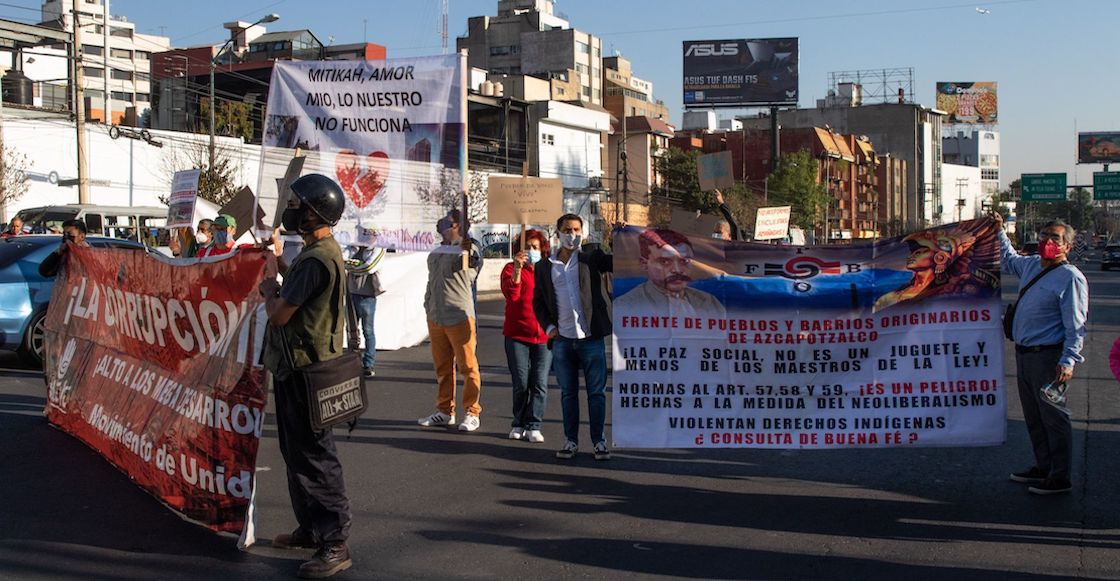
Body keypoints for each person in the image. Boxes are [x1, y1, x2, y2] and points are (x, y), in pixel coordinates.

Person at [259, 174, 353, 578]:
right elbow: (300, 288)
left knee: (315, 458)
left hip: (306, 370)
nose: (291, 209)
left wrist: (267, 290)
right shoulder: (318, 253)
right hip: (297, 366)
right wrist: (279, 262)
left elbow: (281, 313)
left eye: (298, 205)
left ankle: (334, 542)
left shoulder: (317, 258)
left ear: (315, 212)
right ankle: (311, 529)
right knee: (295, 454)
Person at [996, 214, 1088, 496]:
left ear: (1067, 247)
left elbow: (1076, 325)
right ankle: (1043, 465)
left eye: (1055, 238)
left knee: (1054, 417)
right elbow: (1009, 259)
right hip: (1024, 356)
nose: (1047, 241)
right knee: (1034, 416)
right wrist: (1000, 231)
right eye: (1044, 236)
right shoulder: (1032, 266)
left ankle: (1060, 476)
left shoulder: (1070, 278)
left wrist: (1069, 360)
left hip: (1049, 359)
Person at [533, 213, 613, 461]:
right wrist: (549, 329)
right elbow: (538, 302)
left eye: (577, 230)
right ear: (557, 232)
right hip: (563, 341)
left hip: (590, 339)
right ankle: (570, 441)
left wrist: (620, 236)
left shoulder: (591, 259)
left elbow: (617, 261)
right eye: (568, 230)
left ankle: (599, 441)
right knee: (568, 394)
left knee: (596, 394)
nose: (573, 235)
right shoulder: (545, 267)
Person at [418, 209, 484, 433]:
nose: (444, 227)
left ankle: (472, 412)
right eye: (443, 224)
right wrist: (427, 305)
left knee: (467, 366)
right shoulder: (436, 252)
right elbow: (431, 281)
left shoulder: (466, 250)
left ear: (459, 226)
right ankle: (445, 410)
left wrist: (468, 247)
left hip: (459, 316)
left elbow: (474, 260)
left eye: (449, 224)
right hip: (436, 316)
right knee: (443, 367)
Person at [501, 229, 552, 444]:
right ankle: (519, 422)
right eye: (527, 247)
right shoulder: (510, 269)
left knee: (539, 383)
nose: (531, 251)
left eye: (535, 247)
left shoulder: (548, 270)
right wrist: (518, 271)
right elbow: (512, 296)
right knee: (521, 383)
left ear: (542, 250)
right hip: (516, 334)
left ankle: (534, 424)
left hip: (543, 336)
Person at [614, 228, 726, 323]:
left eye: (684, 261)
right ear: (644, 263)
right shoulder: (627, 305)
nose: (677, 270)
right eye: (665, 262)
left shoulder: (709, 302)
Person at [344, 224, 385, 378]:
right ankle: (352, 363)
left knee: (368, 331)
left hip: (367, 295)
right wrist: (352, 261)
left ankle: (368, 364)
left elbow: (369, 267)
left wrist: (351, 265)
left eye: (368, 234)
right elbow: (343, 258)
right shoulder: (355, 247)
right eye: (363, 234)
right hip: (351, 293)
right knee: (352, 330)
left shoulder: (378, 249)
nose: (364, 237)